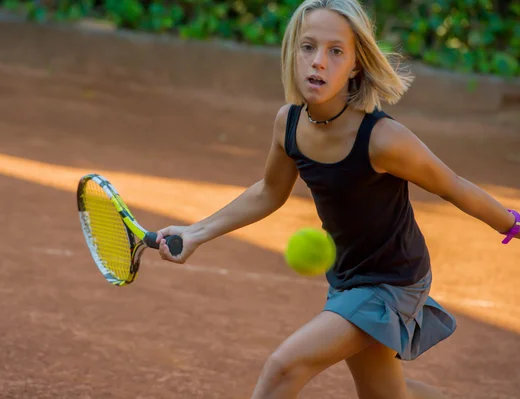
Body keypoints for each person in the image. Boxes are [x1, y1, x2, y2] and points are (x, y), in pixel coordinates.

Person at [155, 0, 520, 398]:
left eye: (335, 51)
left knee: (283, 367)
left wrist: (514, 225)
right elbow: (268, 192)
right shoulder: (289, 123)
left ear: (356, 65)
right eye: (308, 47)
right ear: (292, 52)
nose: (318, 62)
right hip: (348, 276)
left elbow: (452, 184)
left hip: (394, 281)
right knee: (387, 395)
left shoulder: (382, 139)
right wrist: (195, 233)